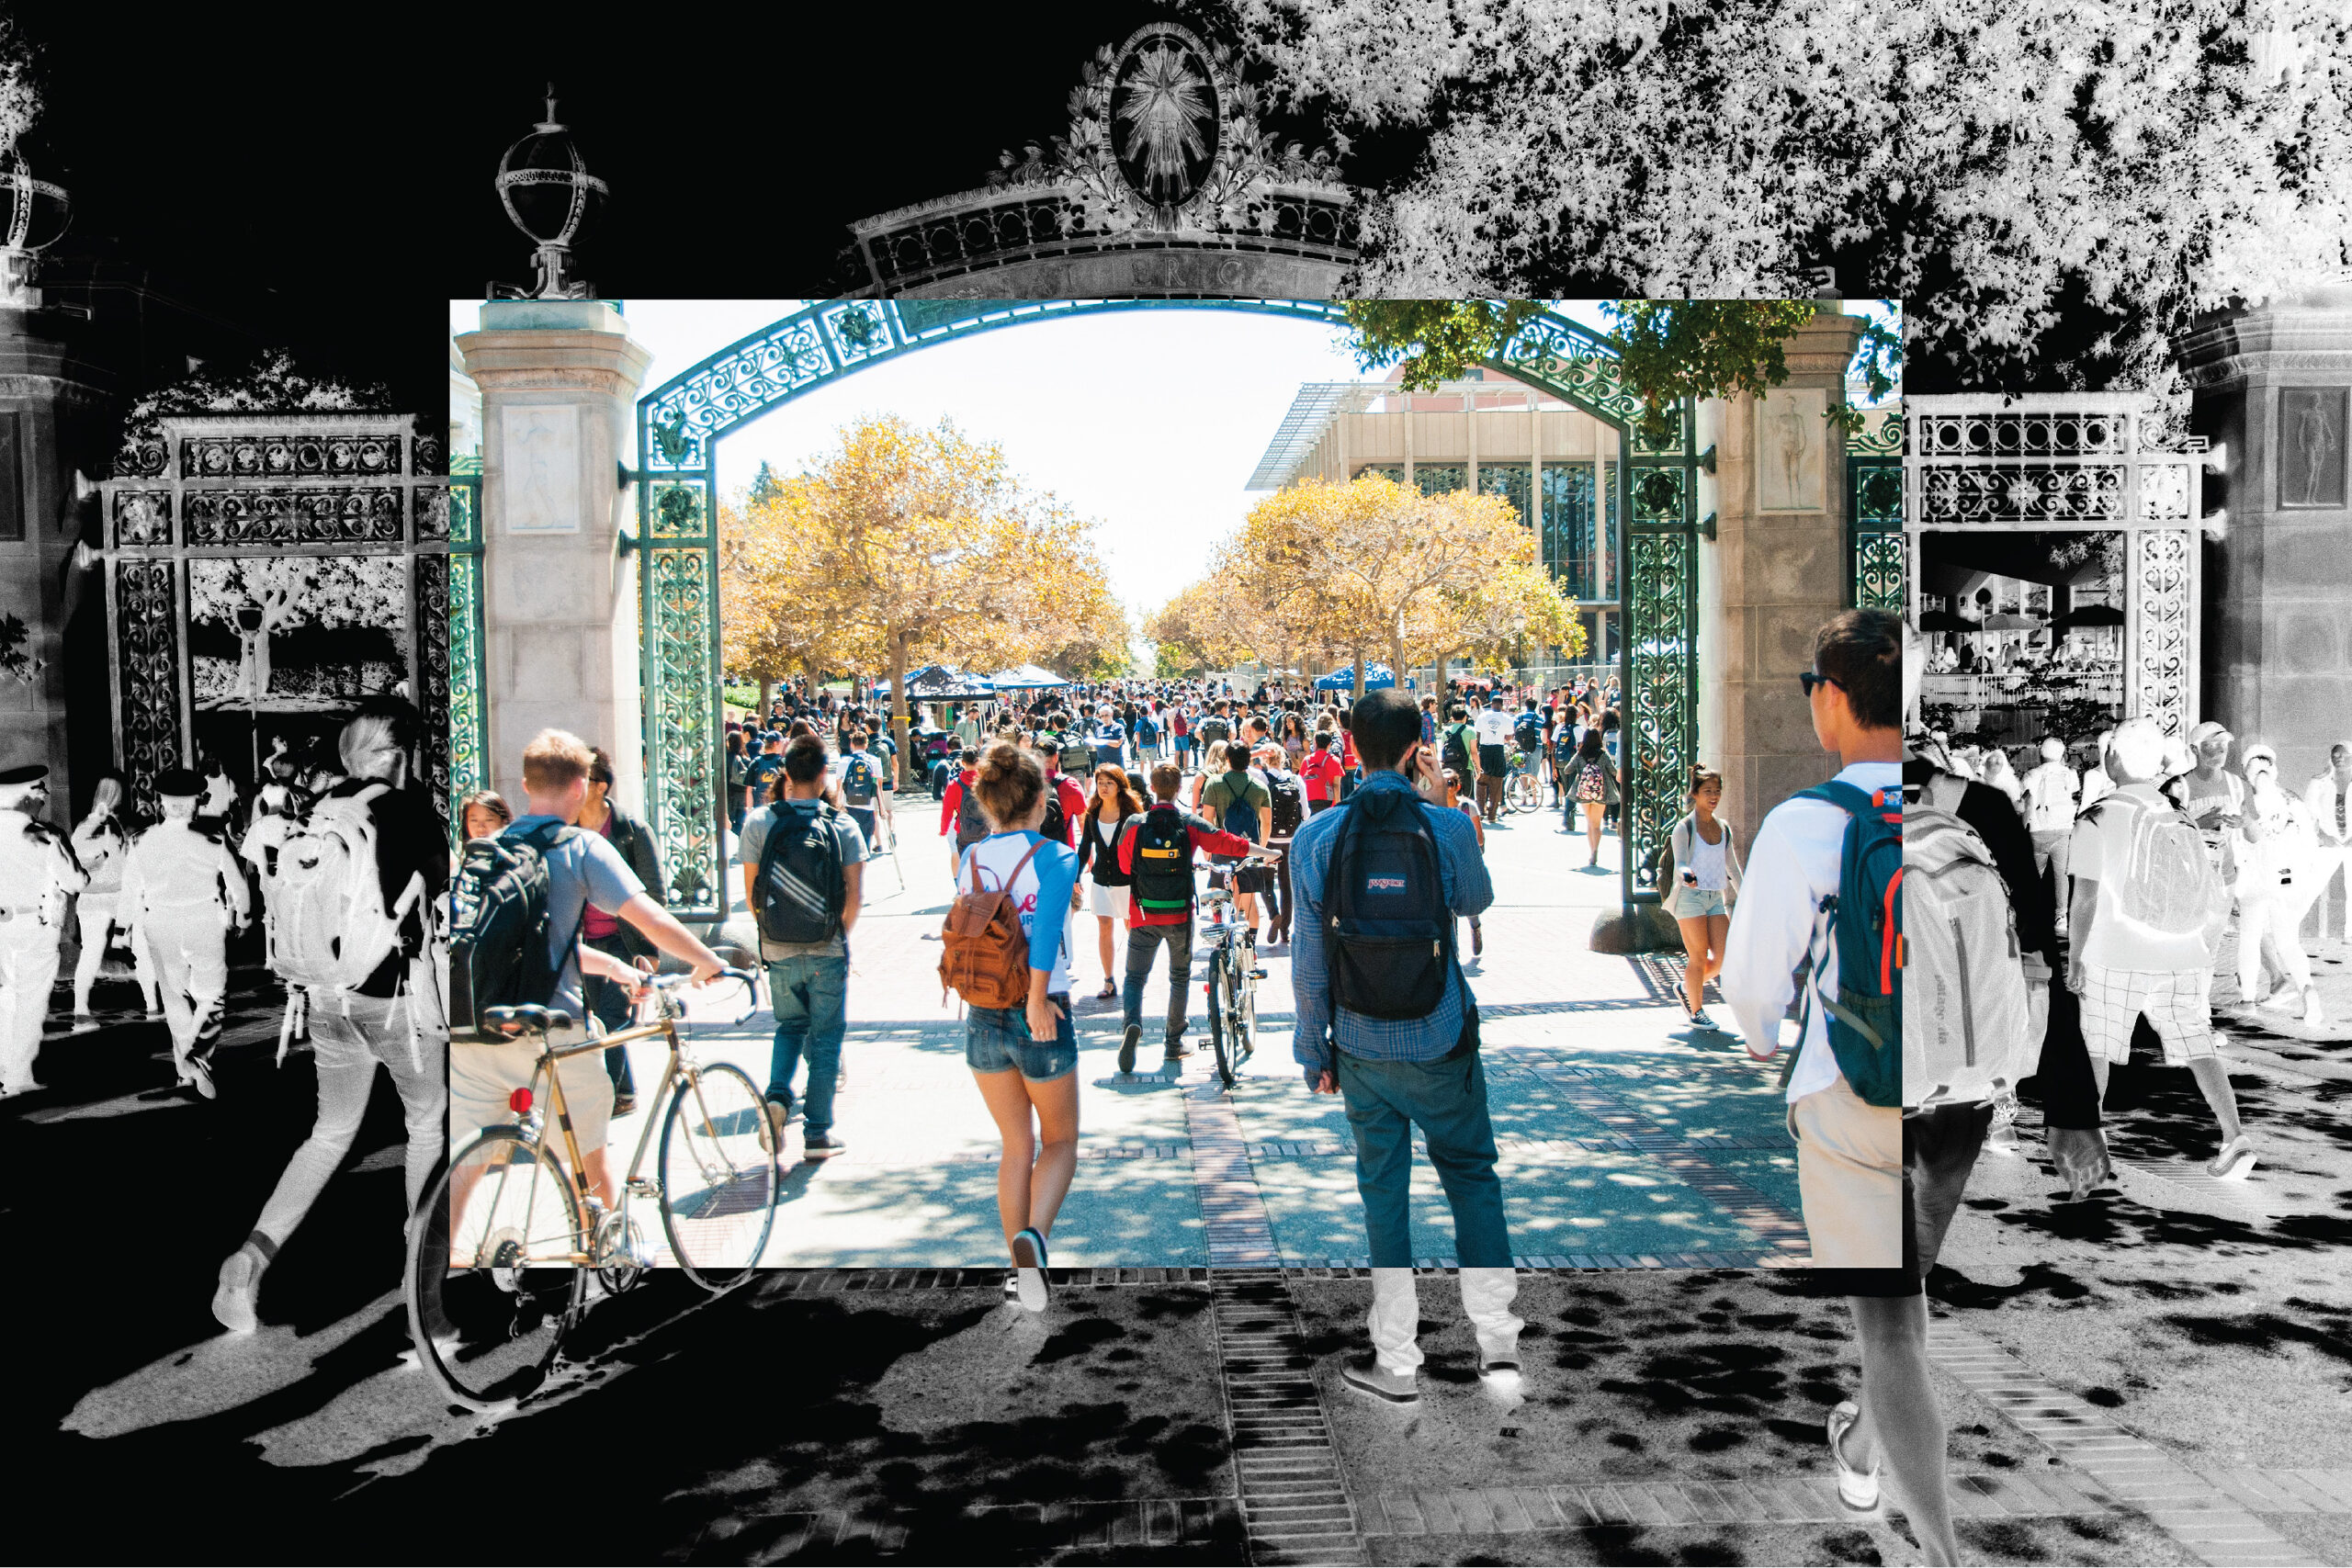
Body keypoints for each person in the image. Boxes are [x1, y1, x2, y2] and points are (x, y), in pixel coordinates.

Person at [1717, 608, 1957, 1566]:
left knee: (1890, 1330)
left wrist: (1761, 1041)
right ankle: (1860, 1441)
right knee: (1906, 1304)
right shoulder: (1960, 804)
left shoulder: (1809, 823)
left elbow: (1750, 987)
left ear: (1828, 698)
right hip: (1960, 1104)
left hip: (1855, 1092)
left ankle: (1941, 1550)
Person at [1287, 687, 1514, 1405]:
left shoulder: (1317, 837)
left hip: (1358, 1042)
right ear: (1418, 743)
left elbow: (1308, 959)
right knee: (1472, 1179)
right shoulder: (1445, 827)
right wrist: (1446, 798)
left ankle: (1396, 1361)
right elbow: (1475, 902)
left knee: (1383, 1197)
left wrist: (1311, 1048)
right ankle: (1497, 1344)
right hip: (1441, 1035)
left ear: (1350, 745)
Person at [212, 699, 449, 1333]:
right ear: (400, 755)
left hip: (325, 996)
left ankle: (248, 1259)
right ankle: (424, 1300)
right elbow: (442, 890)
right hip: (393, 998)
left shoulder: (322, 810)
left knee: (328, 1135)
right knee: (426, 1128)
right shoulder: (407, 809)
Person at [449, 729, 724, 1212]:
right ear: (581, 787)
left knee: (463, 1178)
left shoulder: (490, 850)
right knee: (589, 1171)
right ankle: (606, 1269)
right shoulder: (579, 847)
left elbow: (538, 947)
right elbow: (650, 917)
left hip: (475, 1023)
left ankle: (433, 1275)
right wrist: (709, 961)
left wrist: (616, 967)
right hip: (552, 1028)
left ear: (526, 785)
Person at [2065, 716, 2253, 1179]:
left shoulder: (2097, 817)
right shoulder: (2179, 813)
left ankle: (2091, 1139)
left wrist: (2074, 959)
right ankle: (2234, 1137)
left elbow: (2084, 899)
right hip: (2183, 952)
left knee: (2097, 1046)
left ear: (2113, 758)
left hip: (2117, 953)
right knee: (2198, 1045)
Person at [956, 743, 1085, 1311]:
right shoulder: (1054, 856)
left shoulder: (971, 858)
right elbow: (1045, 925)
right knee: (1059, 1142)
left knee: (1015, 1145)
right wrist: (1036, 998)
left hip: (982, 1012)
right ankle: (1035, 1238)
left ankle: (1016, 1272)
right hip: (1041, 1009)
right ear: (1039, 799)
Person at [741, 733, 865, 1158]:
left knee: (789, 1026)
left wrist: (772, 934)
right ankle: (816, 1132)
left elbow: (752, 894)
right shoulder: (842, 824)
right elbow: (854, 897)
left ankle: (777, 1097)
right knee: (827, 1037)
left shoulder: (760, 822)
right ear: (825, 773)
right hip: (826, 947)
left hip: (777, 946)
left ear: (785, 772)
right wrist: (836, 937)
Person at [1114, 760, 1254, 1073]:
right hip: (1179, 915)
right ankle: (1173, 1043)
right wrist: (1265, 852)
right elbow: (1226, 842)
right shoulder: (1188, 821)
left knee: (1135, 977)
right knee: (1179, 978)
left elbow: (1125, 868)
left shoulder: (1135, 824)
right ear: (1179, 788)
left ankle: (1132, 1024)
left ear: (1151, 788)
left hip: (1143, 913)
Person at [119, 767, 248, 1100]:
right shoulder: (213, 839)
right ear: (196, 803)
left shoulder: (140, 841)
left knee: (175, 998)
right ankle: (198, 1055)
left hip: (159, 923)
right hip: (204, 921)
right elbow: (238, 886)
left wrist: (122, 930)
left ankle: (184, 1071)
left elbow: (130, 889)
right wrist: (244, 917)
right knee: (211, 996)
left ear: (161, 805)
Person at [577, 748, 668, 1118]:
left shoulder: (631, 830)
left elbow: (654, 892)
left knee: (612, 1021)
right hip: (583, 943)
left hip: (623, 942)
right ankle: (625, 1092)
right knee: (596, 1019)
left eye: (579, 778)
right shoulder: (568, 830)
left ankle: (601, 1100)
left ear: (598, 786)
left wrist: (651, 949)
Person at [0, 765, 87, 1097]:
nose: (45, 795)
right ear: (23, 797)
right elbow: (75, 881)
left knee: (4, 998)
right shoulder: (46, 835)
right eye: (38, 789)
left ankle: (3, 1067)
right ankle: (18, 1075)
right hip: (35, 925)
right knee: (31, 1001)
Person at [2233, 742, 2324, 1027]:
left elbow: (2242, 843)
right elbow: (2311, 841)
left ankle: (2248, 1000)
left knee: (2249, 938)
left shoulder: (2245, 802)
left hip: (2256, 879)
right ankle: (2307, 990)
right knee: (2287, 941)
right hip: (2287, 878)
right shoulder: (2292, 800)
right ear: (2274, 768)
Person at [69, 774, 161, 1029]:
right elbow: (124, 865)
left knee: (90, 954)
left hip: (90, 897)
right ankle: (152, 1006)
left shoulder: (84, 825)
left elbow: (75, 858)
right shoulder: (115, 826)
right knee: (141, 950)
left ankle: (81, 1011)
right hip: (119, 896)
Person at [1666, 766, 1741, 1031]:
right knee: (1697, 955)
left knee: (1722, 957)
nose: (1714, 796)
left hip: (1715, 898)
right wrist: (1687, 873)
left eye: (1717, 791)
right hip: (1690, 898)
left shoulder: (1723, 828)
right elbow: (1680, 864)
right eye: (1708, 791)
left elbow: (1731, 867)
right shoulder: (1684, 827)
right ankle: (1696, 1011)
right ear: (1695, 794)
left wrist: (1747, 897)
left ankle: (1688, 987)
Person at [1076, 763, 1143, 999]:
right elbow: (1085, 848)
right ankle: (1109, 980)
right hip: (1101, 880)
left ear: (1119, 785)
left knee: (1131, 927)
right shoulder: (1092, 813)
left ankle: (1135, 977)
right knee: (1104, 926)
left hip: (1126, 881)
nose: (1103, 788)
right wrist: (1076, 876)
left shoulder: (1131, 815)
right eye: (1100, 783)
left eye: (1109, 783)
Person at [1200, 740, 1273, 942]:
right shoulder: (1260, 787)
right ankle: (1251, 948)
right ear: (1249, 760)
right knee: (1250, 901)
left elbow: (1207, 819)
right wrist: (1262, 850)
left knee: (1219, 898)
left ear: (1228, 759)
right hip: (1248, 849)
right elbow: (1267, 823)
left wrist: (1207, 848)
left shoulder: (1214, 783)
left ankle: (1222, 943)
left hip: (1222, 846)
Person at [2301, 741, 2351, 949]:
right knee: (2310, 885)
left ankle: (2350, 934)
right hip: (2328, 842)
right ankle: (2288, 928)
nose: (2339, 758)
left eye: (2344, 754)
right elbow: (2308, 813)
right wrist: (2322, 835)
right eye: (2335, 754)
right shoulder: (2320, 782)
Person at [2020, 735, 2080, 898]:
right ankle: (2061, 917)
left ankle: (2031, 913)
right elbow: (2075, 801)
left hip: (2037, 831)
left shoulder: (2031, 775)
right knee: (2061, 876)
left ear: (2041, 754)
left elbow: (2025, 804)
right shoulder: (2071, 774)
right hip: (2063, 830)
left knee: (2034, 875)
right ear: (2061, 754)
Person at [1441, 766, 1486, 959]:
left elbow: (1480, 839)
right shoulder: (1435, 807)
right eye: (1443, 783)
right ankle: (1454, 950)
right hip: (1445, 862)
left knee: (1467, 903)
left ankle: (1475, 928)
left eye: (1450, 783)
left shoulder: (1468, 807)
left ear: (1457, 786)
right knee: (1448, 906)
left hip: (1465, 861)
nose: (1446, 787)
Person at [1565, 725, 1616, 866]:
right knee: (1596, 824)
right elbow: (1613, 771)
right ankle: (1596, 851)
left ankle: (1591, 851)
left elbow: (1568, 769)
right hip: (1601, 792)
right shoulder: (1603, 754)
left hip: (1584, 793)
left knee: (1589, 823)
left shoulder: (1580, 754)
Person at [1474, 689, 1513, 822]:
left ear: (1491, 704)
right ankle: (1492, 814)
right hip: (1498, 750)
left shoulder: (1482, 717)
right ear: (1502, 705)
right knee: (1497, 783)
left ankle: (1481, 810)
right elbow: (1508, 736)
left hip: (1484, 750)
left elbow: (1477, 735)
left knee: (1481, 781)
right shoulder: (1507, 718)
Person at [1300, 728, 1343, 816]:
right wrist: (1338, 805)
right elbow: (1336, 785)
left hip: (1309, 799)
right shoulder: (1334, 760)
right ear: (1329, 744)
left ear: (1315, 743)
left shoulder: (1307, 760)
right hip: (1327, 801)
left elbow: (1301, 782)